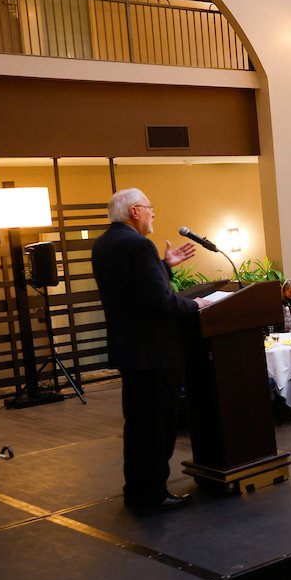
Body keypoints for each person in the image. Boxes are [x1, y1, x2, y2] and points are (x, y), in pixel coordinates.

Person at [91, 188, 206, 514]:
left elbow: (134, 290)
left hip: (131, 353)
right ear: (134, 211)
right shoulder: (140, 245)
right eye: (149, 207)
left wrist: (164, 265)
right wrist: (197, 304)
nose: (153, 212)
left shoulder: (104, 244)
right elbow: (161, 303)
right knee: (157, 428)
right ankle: (153, 494)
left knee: (138, 426)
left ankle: (137, 491)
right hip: (155, 355)